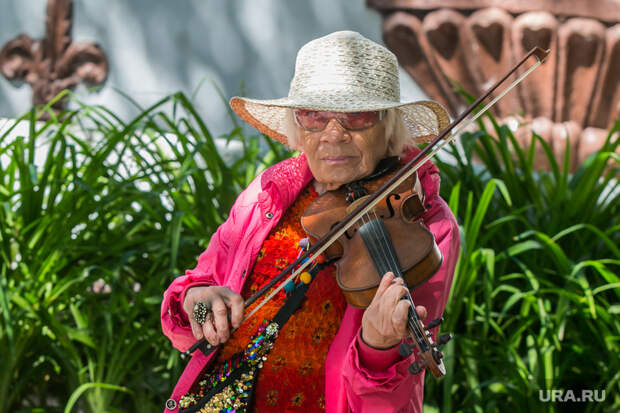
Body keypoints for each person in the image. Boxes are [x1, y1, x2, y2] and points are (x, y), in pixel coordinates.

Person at [161, 31, 460, 413]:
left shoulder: (423, 222)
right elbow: (196, 299)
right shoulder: (270, 191)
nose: (333, 134)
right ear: (297, 125)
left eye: (357, 115)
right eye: (313, 115)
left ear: (387, 125)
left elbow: (391, 397)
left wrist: (379, 347)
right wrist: (200, 305)